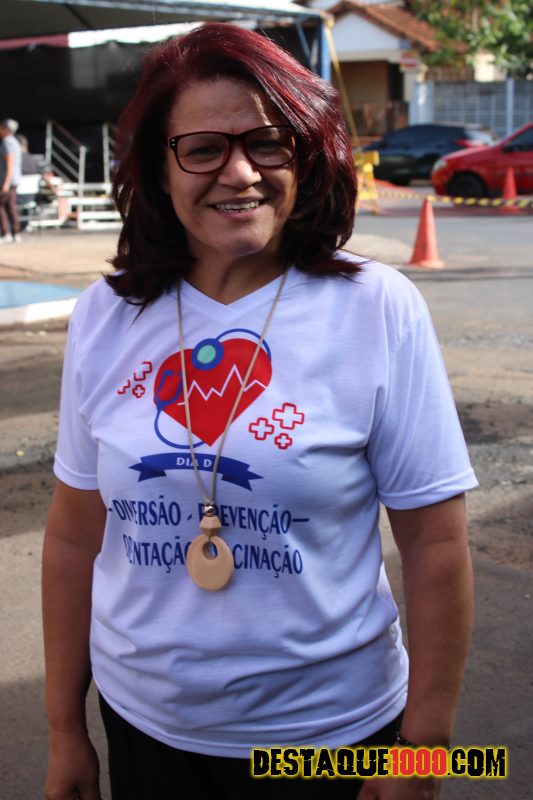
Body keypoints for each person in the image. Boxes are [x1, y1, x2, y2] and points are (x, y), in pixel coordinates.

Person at [43, 22, 477, 800]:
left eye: (267, 143)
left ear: (305, 154)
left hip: (329, 735)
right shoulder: (106, 315)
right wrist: (63, 730)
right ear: (159, 168)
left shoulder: (375, 308)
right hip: (144, 724)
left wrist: (425, 752)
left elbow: (435, 542)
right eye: (203, 148)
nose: (239, 172)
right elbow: (75, 538)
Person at [0, 118, 22, 243]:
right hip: (14, 179)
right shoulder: (15, 142)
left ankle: (6, 233)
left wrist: (6, 182)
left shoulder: (7, 142)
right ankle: (16, 233)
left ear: (5, 129)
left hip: (7, 179)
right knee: (11, 206)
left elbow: (9, 162)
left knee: (2, 206)